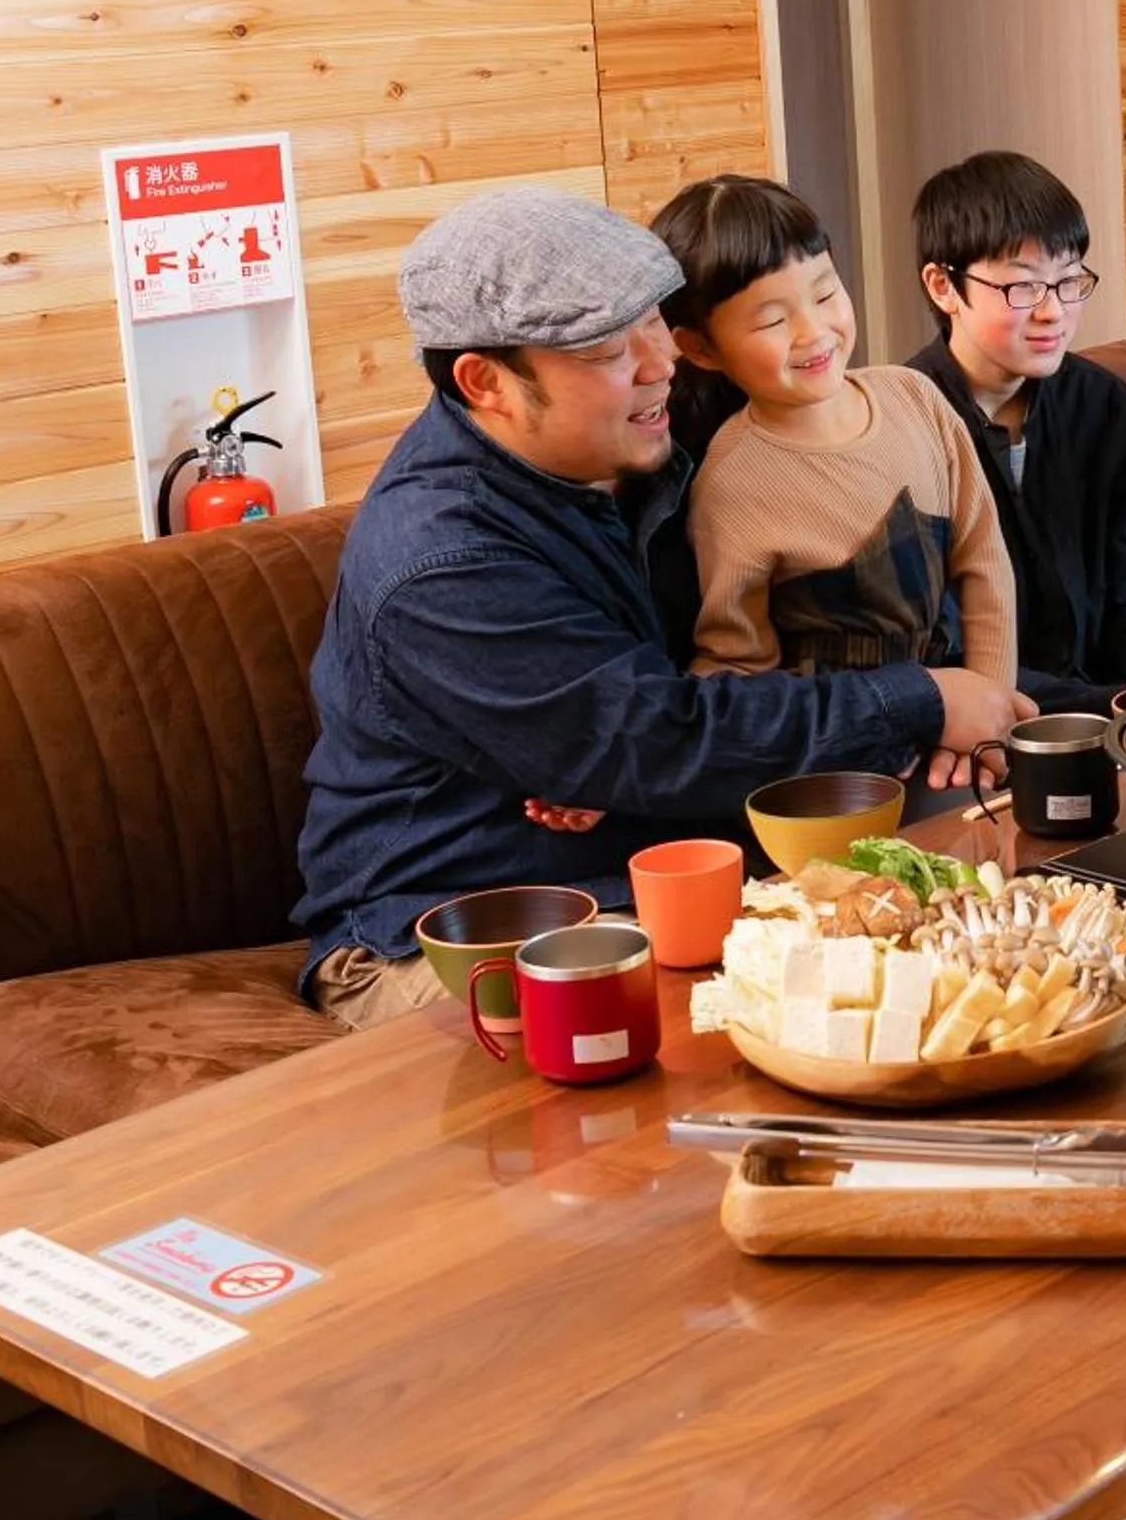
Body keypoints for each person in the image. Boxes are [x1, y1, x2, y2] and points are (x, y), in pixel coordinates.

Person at [294, 184, 1026, 1030]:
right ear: (485, 382)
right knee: (794, 1010)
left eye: (654, 323)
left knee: (974, 942)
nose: (659, 362)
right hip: (447, 931)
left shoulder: (641, 451)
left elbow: (752, 659)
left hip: (650, 867)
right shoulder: (440, 558)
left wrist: (985, 696)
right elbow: (657, 737)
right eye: (609, 350)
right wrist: (925, 697)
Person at [650, 176, 1017, 703]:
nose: (813, 330)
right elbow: (738, 664)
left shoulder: (916, 397)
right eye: (773, 320)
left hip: (965, 702)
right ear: (702, 349)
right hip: (851, 742)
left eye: (824, 293)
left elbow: (985, 561)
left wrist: (991, 705)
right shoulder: (732, 484)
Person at [905, 150, 1126, 716]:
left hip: (1108, 707)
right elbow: (944, 652)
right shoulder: (906, 428)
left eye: (1069, 281)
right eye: (1023, 289)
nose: (1054, 312)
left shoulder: (1105, 407)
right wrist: (1123, 705)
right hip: (983, 722)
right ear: (944, 286)